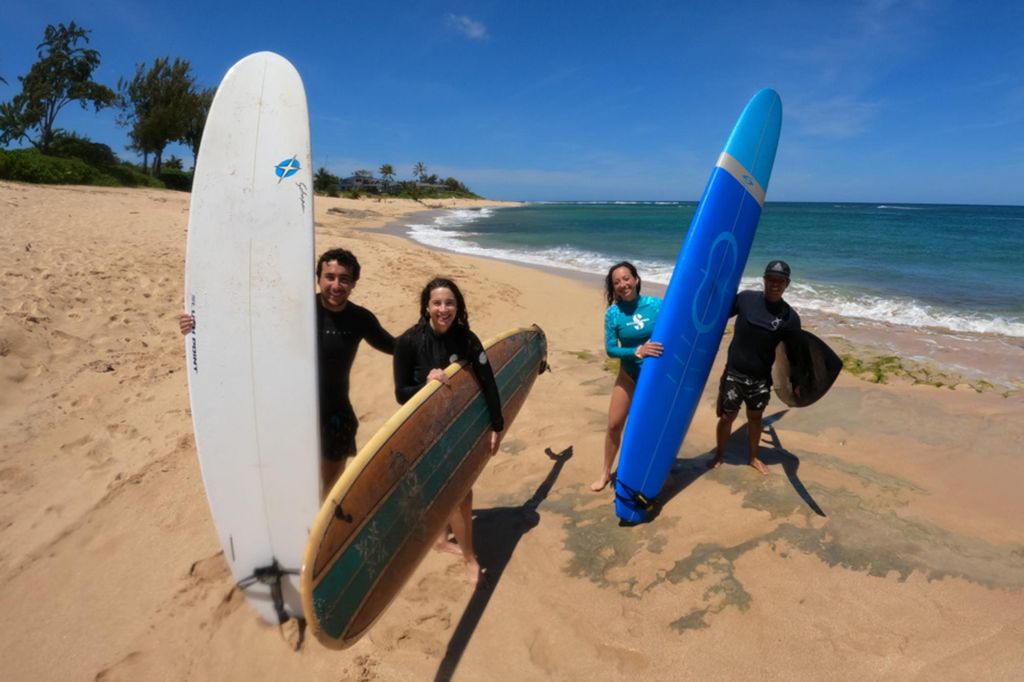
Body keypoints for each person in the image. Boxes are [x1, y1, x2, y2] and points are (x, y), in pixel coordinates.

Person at [179, 247, 395, 498]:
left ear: (354, 283)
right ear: (318, 279)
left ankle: (322, 526)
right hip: (291, 412)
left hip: (336, 415)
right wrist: (197, 326)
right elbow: (244, 329)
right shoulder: (296, 310)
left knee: (329, 488)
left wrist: (436, 334)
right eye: (330, 277)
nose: (336, 285)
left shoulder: (360, 319)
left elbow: (395, 347)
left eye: (344, 279)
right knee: (289, 483)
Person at [393, 278, 503, 586]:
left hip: (457, 424)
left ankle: (442, 538)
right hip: (424, 428)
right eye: (437, 303)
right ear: (426, 306)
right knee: (459, 495)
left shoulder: (467, 339)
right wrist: (425, 386)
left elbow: (488, 381)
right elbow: (401, 394)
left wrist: (497, 425)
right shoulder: (408, 342)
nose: (444, 309)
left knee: (454, 492)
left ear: (458, 306)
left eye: (449, 303)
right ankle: (470, 558)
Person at [710, 259, 801, 475]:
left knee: (755, 419)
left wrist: (796, 384)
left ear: (787, 284)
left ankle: (752, 457)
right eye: (771, 278)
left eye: (780, 280)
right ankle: (719, 454)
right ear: (764, 279)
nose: (774, 284)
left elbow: (793, 355)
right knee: (726, 417)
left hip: (760, 379)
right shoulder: (746, 299)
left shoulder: (790, 318)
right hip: (734, 373)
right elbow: (716, 315)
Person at [591, 261, 662, 493]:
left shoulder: (655, 305)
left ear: (636, 279)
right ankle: (605, 472)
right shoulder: (613, 314)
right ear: (614, 288)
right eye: (617, 282)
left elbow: (678, 327)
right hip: (629, 374)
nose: (623, 284)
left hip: (654, 378)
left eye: (626, 278)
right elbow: (611, 349)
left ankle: (651, 469)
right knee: (613, 425)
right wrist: (636, 351)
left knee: (648, 427)